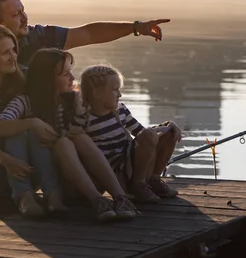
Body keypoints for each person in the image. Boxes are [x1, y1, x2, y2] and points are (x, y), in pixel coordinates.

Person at [0, 0, 170, 160]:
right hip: (1, 141)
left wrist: (135, 27)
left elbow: (88, 33)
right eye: (16, 15)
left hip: (45, 134)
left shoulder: (39, 37)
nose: (25, 18)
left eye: (23, 10)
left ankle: (130, 163)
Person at [0, 48, 137, 222]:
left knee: (77, 138)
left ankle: (119, 197)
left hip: (81, 176)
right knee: (22, 133)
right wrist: (33, 122)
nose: (73, 78)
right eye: (65, 74)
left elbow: (106, 115)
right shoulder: (26, 102)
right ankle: (30, 195)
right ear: (47, 80)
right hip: (54, 177)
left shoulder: (76, 101)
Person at [0, 23, 66, 217]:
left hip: (27, 167)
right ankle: (24, 196)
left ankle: (52, 194)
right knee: (18, 131)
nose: (13, 57)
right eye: (5, 53)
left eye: (14, 50)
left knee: (24, 132)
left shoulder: (23, 78)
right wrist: (6, 160)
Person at [76, 63, 182, 203]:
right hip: (112, 173)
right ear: (97, 93)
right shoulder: (84, 118)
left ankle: (152, 181)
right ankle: (137, 185)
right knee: (150, 135)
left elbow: (142, 133)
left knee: (169, 133)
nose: (120, 94)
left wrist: (167, 126)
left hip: (130, 163)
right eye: (115, 90)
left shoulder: (121, 110)